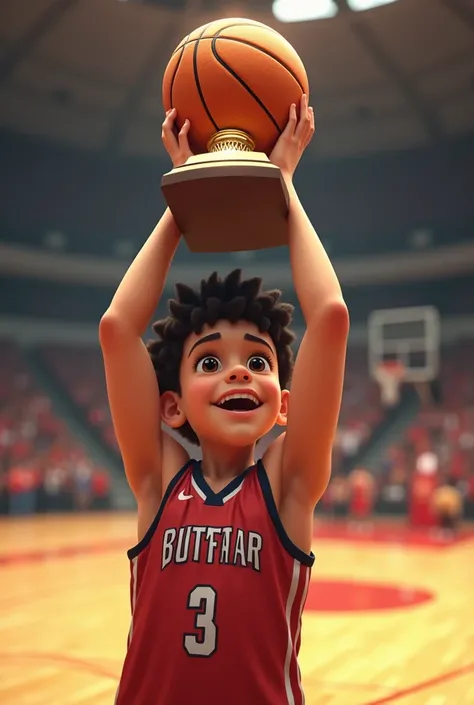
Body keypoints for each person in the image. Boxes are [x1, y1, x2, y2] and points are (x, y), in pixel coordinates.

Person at [100, 95, 349, 705]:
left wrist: (283, 185)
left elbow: (331, 316)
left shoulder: (290, 482)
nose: (239, 373)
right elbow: (116, 329)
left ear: (283, 403)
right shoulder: (156, 482)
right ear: (172, 405)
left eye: (258, 362)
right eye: (209, 361)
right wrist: (183, 203)